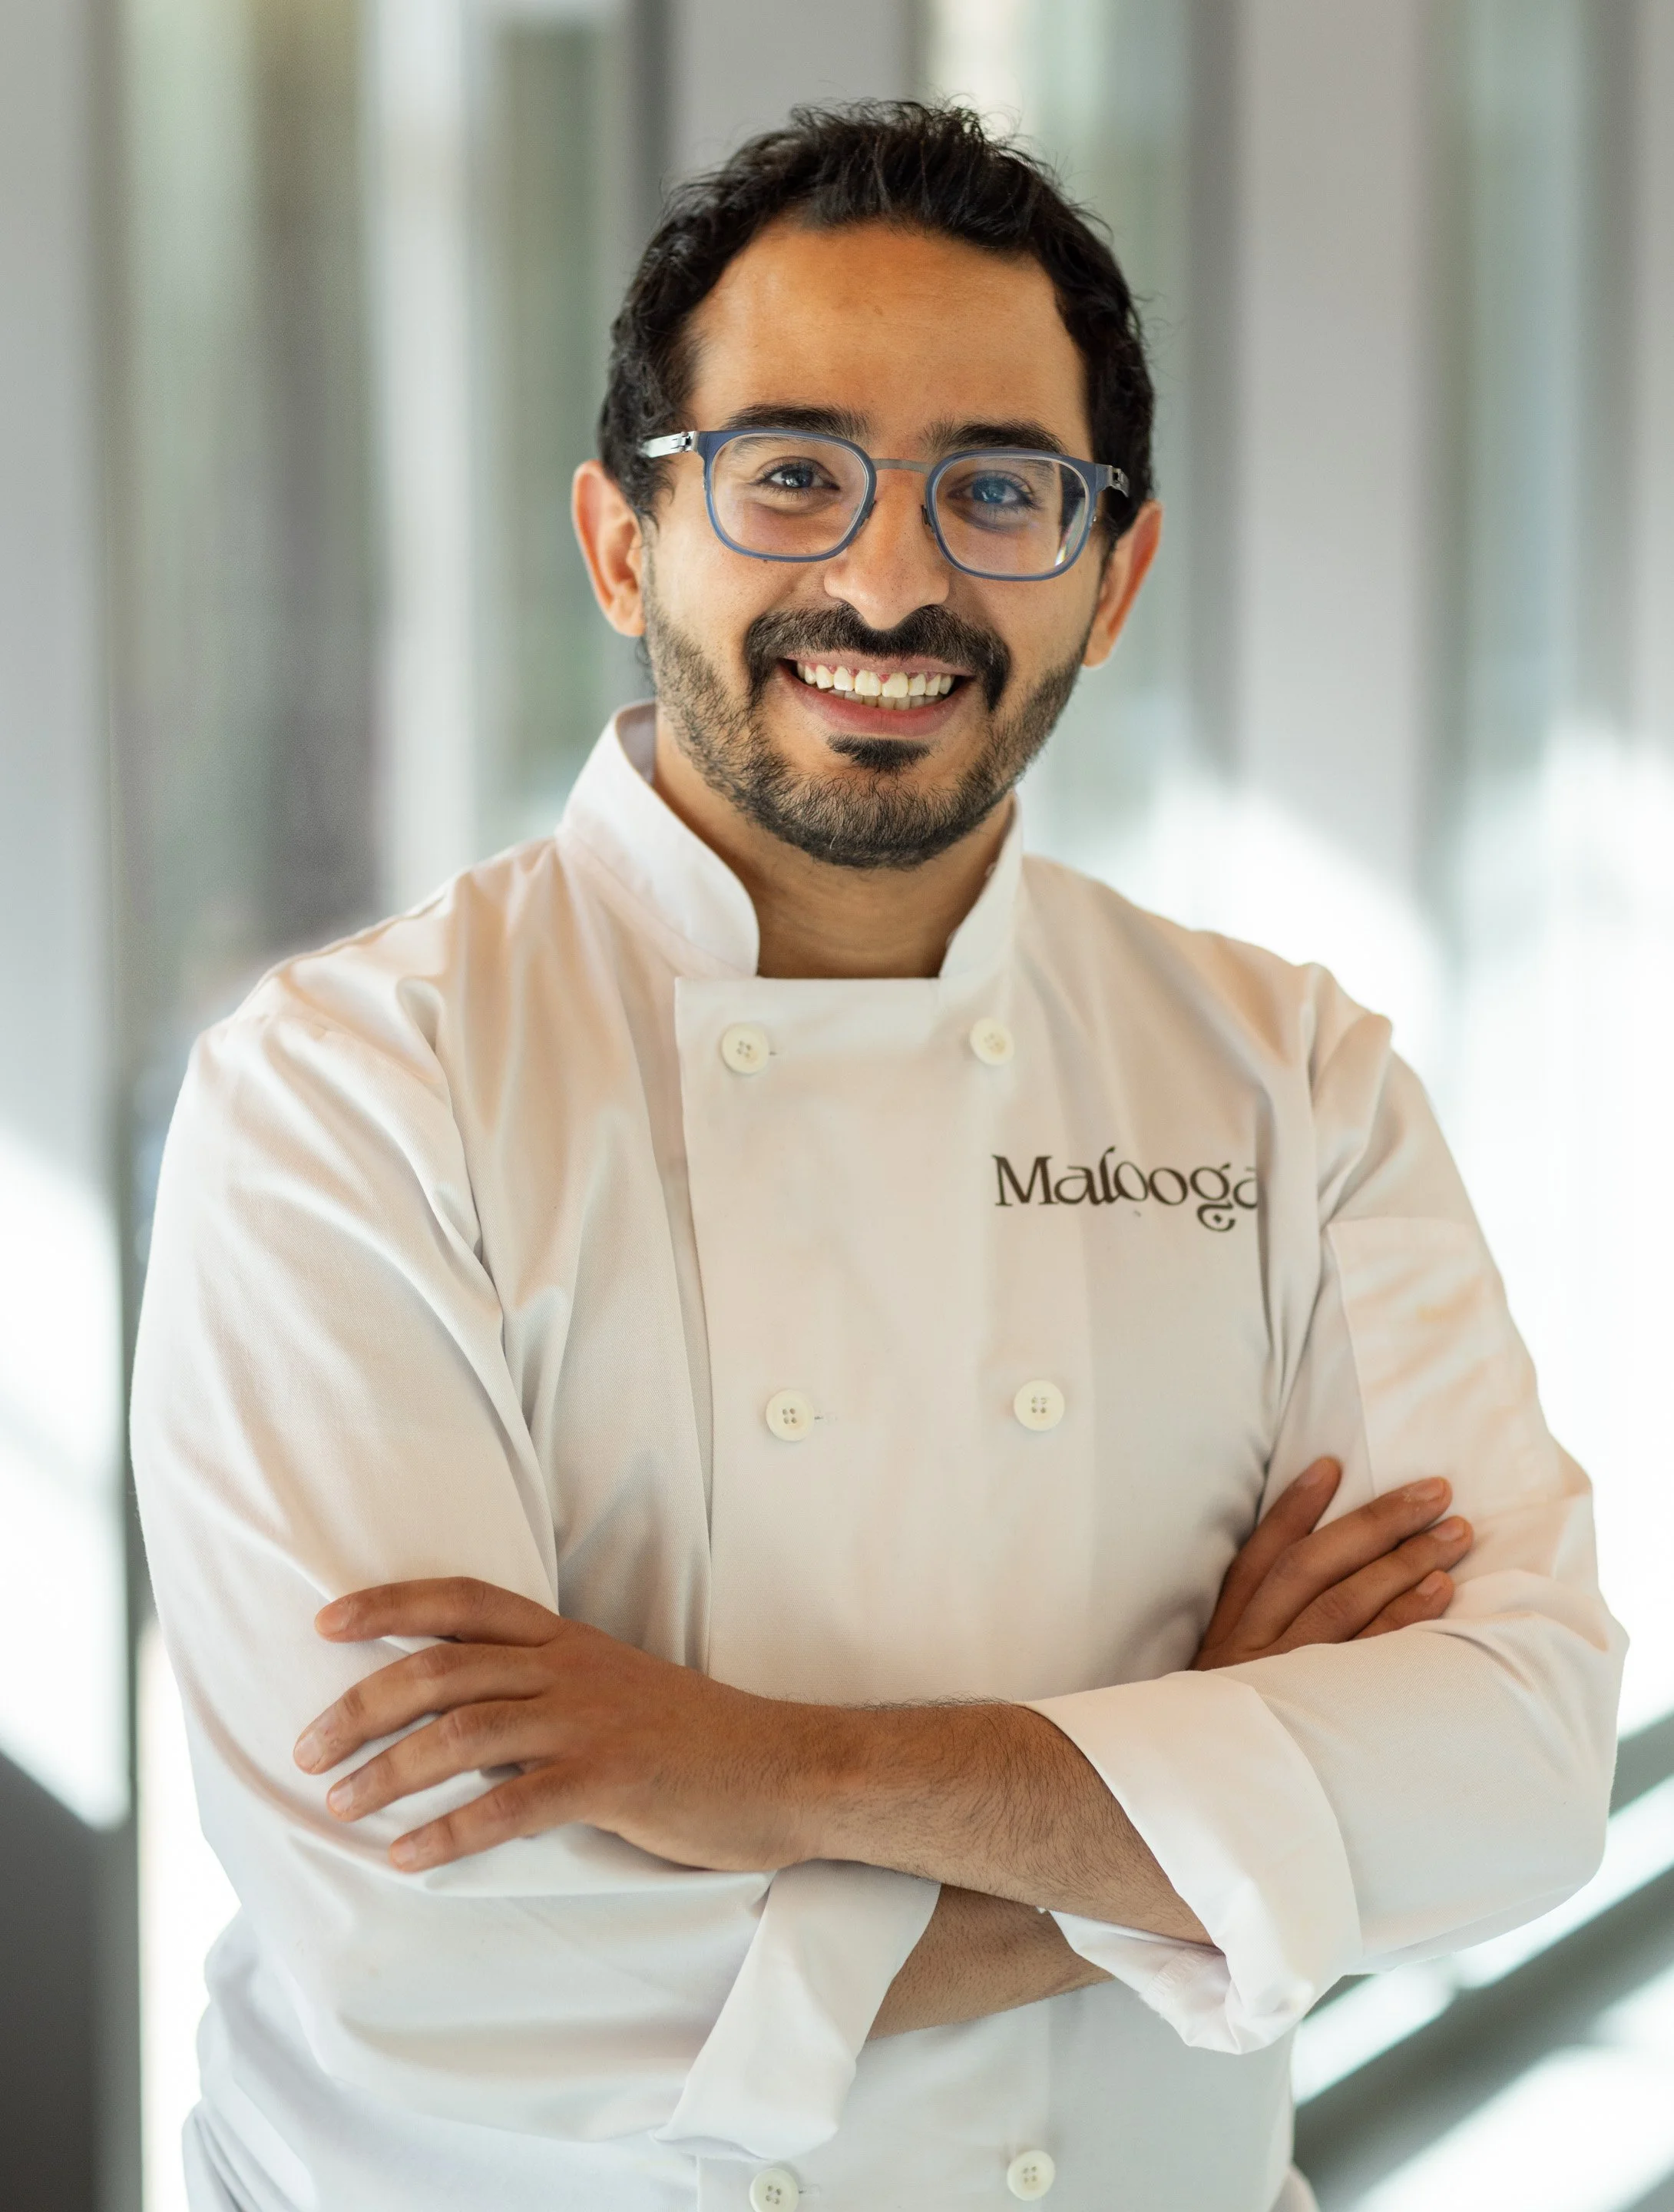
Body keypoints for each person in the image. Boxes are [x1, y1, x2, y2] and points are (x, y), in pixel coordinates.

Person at [131, 103, 1623, 2212]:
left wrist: (769, 1776)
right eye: (792, 472)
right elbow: (436, 1949)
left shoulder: (1284, 1071)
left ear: (1115, 578)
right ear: (621, 540)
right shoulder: (355, 1090)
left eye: (998, 490)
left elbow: (1514, 1771)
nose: (893, 577)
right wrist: (1221, 1811)